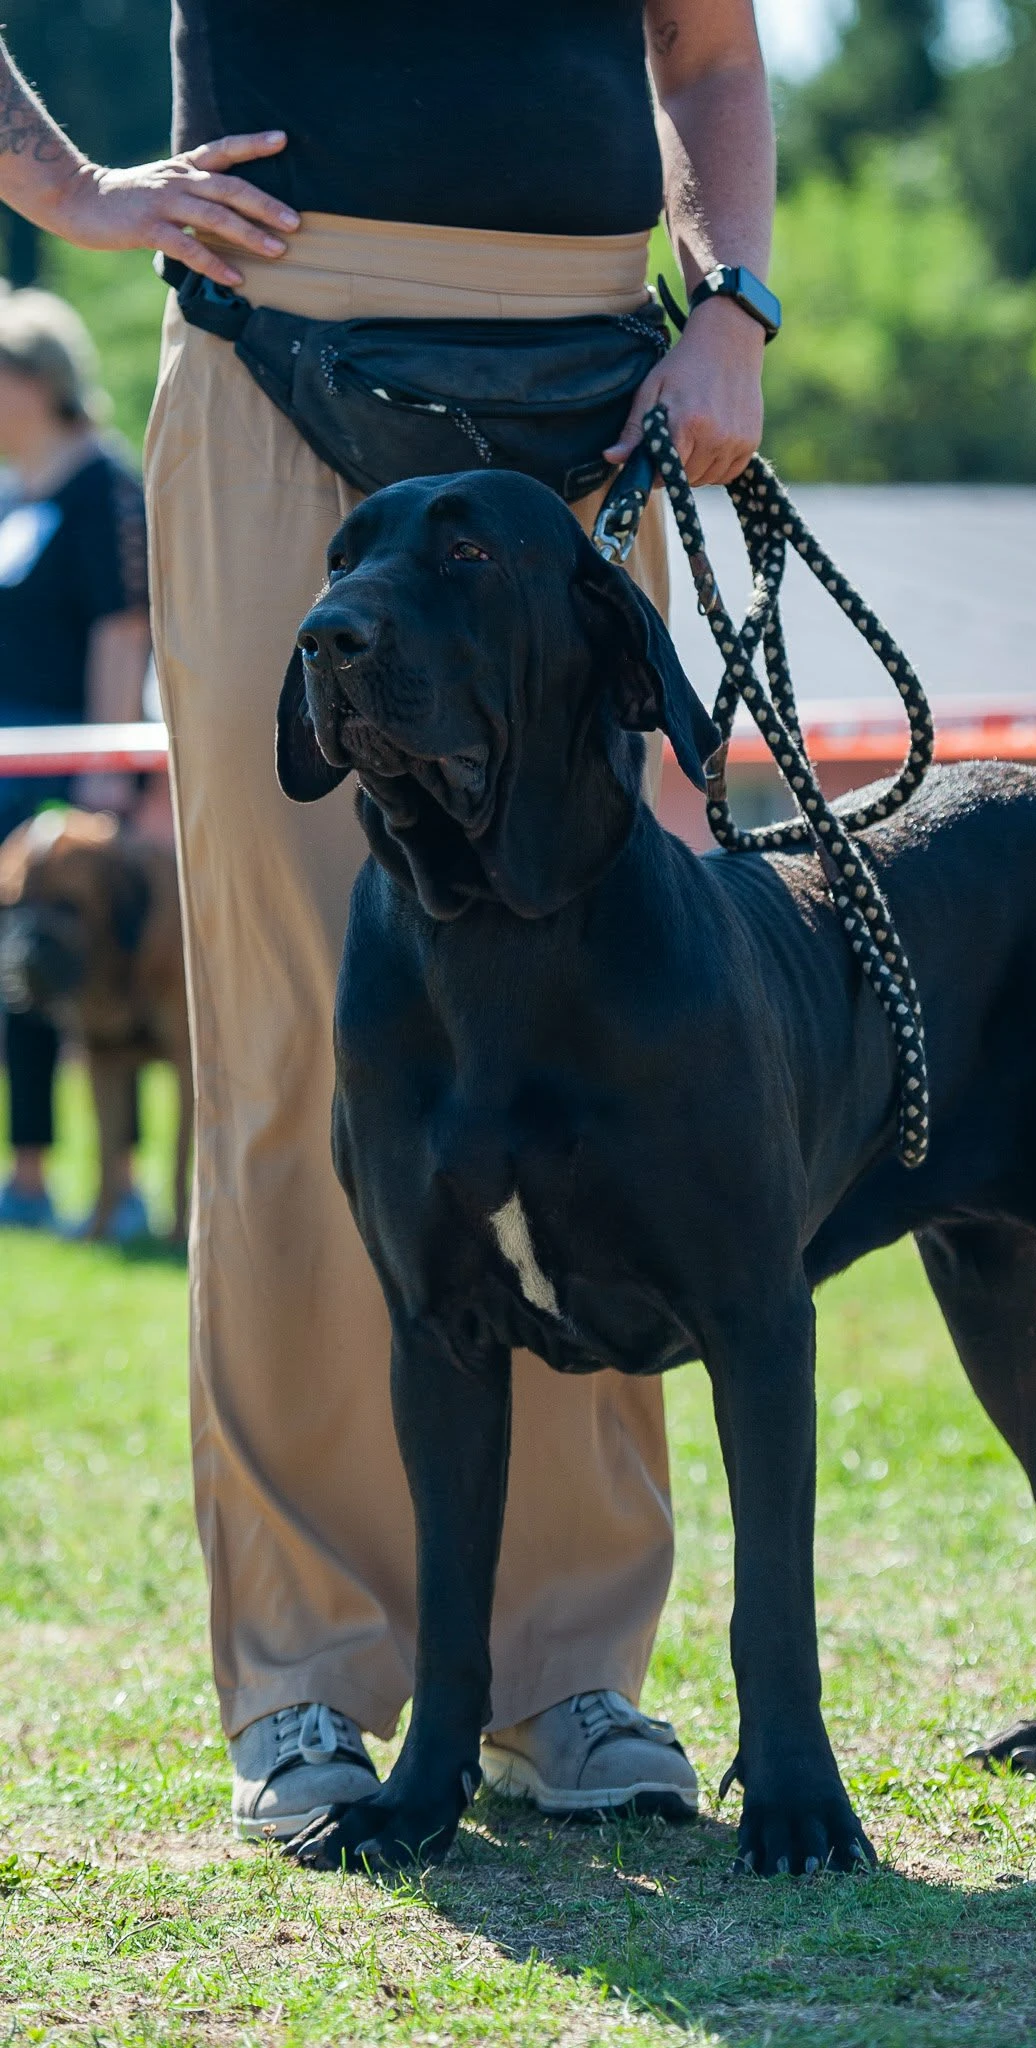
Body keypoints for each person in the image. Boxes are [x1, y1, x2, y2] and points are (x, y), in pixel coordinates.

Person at [0, 2, 773, 1838]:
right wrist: (69, 187)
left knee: (591, 1022)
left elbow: (715, 52)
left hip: (589, 386)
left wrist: (732, 299)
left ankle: (568, 1668)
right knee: (287, 1044)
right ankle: (308, 1675)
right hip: (276, 339)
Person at [0, 286, 152, 1238]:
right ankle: (27, 1172)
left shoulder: (105, 486)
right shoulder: (10, 492)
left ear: (36, 380)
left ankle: (123, 1183)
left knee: (97, 975)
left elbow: (120, 628)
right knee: (15, 973)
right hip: (9, 759)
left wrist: (104, 767)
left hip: (73, 761)